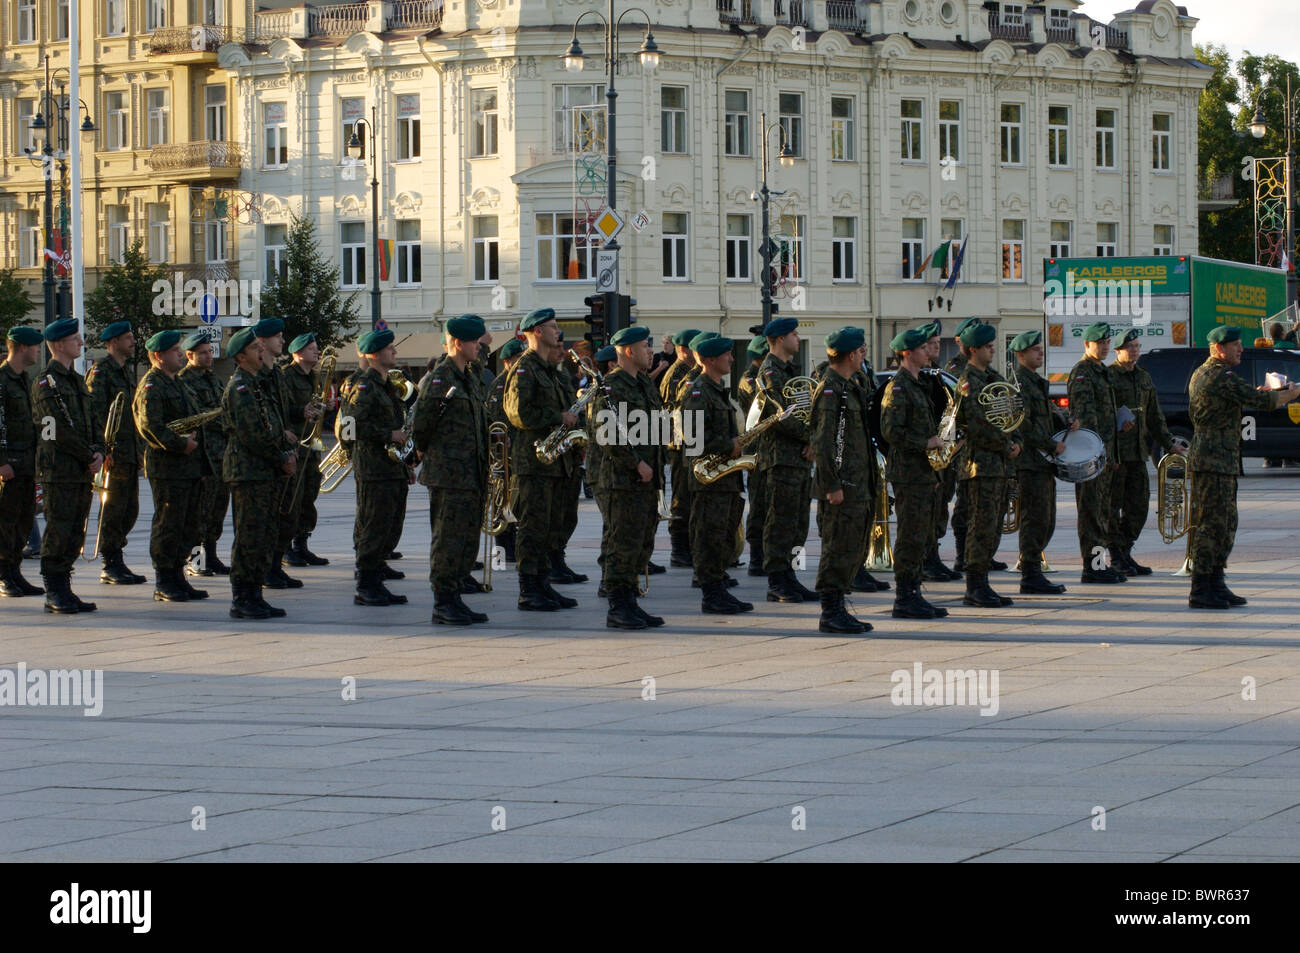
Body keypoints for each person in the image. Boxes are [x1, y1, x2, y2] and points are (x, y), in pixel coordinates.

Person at [1187, 325, 1300, 608]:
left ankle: (1216, 581)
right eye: (1235, 345)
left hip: (1221, 459)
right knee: (1210, 526)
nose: (1241, 349)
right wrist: (1291, 393)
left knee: (1224, 524)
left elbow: (1245, 395)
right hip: (1212, 461)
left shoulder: (1216, 375)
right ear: (1218, 349)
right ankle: (1201, 589)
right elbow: (1264, 401)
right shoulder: (1216, 376)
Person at [413, 314, 490, 625]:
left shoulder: (467, 378)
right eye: (474, 342)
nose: (479, 347)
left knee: (466, 539)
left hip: (471, 473)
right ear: (458, 343)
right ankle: (443, 601)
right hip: (449, 475)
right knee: (448, 539)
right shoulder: (440, 379)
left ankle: (456, 595)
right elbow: (422, 426)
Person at [503, 308, 580, 611]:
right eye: (552, 326)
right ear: (536, 331)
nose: (557, 330)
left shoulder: (548, 369)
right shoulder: (525, 368)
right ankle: (528, 589)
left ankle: (544, 584)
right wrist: (557, 416)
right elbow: (518, 413)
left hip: (554, 462)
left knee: (548, 528)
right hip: (533, 463)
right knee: (533, 528)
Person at [222, 328, 296, 619]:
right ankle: (242, 597)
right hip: (248, 472)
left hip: (264, 471)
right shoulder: (240, 387)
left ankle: (255, 593)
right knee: (249, 536)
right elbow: (252, 434)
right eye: (254, 348)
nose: (261, 351)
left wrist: (285, 451)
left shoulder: (256, 385)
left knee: (264, 533)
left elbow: (272, 427)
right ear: (241, 357)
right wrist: (280, 457)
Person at [597, 326, 667, 628]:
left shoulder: (643, 384)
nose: (650, 351)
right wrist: (636, 463)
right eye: (644, 346)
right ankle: (618, 606)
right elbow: (608, 433)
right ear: (628, 351)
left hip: (648, 480)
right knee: (621, 544)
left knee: (641, 542)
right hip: (623, 481)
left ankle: (631, 601)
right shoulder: (612, 387)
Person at [32, 318, 104, 613]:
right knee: (59, 529)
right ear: (59, 345)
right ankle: (54, 590)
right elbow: (54, 430)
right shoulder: (45, 383)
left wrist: (98, 449)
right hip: (59, 470)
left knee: (75, 529)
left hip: (79, 470)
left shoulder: (76, 380)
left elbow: (92, 421)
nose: (81, 343)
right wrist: (88, 456)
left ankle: (66, 586)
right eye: (76, 339)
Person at [879, 327, 950, 620]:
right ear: (907, 353)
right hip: (908, 474)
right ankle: (904, 597)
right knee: (910, 536)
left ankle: (915, 593)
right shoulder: (898, 387)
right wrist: (926, 443)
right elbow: (891, 431)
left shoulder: (919, 383)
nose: (928, 351)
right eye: (922, 347)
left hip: (923, 472)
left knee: (921, 535)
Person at [132, 330, 208, 603]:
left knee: (188, 524)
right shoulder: (152, 385)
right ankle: (164, 580)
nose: (180, 353)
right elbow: (149, 427)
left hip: (188, 466)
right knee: (168, 523)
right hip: (167, 466)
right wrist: (180, 444)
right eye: (175, 350)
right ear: (158, 356)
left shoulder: (177, 383)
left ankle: (178, 576)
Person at [810, 327, 875, 634]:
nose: (864, 356)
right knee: (836, 548)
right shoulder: (830, 390)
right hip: (841, 487)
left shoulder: (849, 386)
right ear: (851, 355)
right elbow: (823, 443)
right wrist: (831, 485)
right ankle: (830, 612)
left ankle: (839, 607)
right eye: (862, 351)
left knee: (850, 546)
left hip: (856, 483)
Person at [684, 336, 753, 614]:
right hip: (709, 479)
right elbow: (693, 437)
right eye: (727, 355)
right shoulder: (699, 391)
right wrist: (730, 445)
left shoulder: (717, 389)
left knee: (723, 535)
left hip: (724, 478)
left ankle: (719, 589)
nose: (732, 359)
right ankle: (711, 595)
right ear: (711, 360)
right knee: (709, 537)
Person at [955, 321, 1019, 608]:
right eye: (988, 347)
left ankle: (983, 583)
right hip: (980, 465)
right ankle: (975, 586)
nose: (993, 350)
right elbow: (979, 426)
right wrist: (1007, 445)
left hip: (998, 464)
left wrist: (1015, 440)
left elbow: (1011, 413)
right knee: (980, 526)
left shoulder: (993, 377)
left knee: (992, 526)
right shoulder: (969, 381)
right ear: (973, 350)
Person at [349, 328, 412, 607]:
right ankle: (366, 585)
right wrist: (388, 434)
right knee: (373, 526)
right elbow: (352, 428)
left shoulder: (385, 385)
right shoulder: (364, 386)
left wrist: (404, 462)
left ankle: (376, 580)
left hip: (390, 467)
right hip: (373, 469)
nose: (395, 352)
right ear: (374, 354)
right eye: (390, 349)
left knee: (386, 525)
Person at [1108, 329, 1179, 575]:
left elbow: (1154, 415)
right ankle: (1116, 556)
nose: (1135, 350)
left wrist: (1169, 443)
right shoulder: (1109, 377)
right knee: (1113, 506)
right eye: (1130, 347)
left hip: (1138, 452)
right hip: (1116, 454)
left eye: (1137, 346)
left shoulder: (1143, 377)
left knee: (1139, 506)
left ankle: (1125, 550)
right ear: (1118, 351)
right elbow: (1101, 416)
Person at [756, 317, 817, 603]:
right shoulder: (770, 371)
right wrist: (809, 439)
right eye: (793, 334)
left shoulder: (790, 370)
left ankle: (792, 576)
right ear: (780, 339)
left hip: (799, 458)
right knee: (781, 521)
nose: (797, 337)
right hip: (782, 457)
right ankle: (777, 580)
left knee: (799, 522)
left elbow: (805, 410)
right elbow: (781, 415)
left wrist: (811, 440)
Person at [1010, 330, 1073, 595]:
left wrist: (1065, 420)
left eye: (1040, 348)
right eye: (1035, 349)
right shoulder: (1019, 384)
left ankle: (1035, 570)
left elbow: (1044, 418)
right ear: (1021, 354)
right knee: (1034, 519)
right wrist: (1050, 444)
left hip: (1043, 463)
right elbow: (1022, 425)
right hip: (1030, 462)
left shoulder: (1036, 382)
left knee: (1046, 520)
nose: (1041, 352)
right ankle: (1030, 575)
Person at [85, 320, 145, 585]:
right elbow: (96, 414)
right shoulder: (102, 371)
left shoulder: (123, 371)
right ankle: (110, 562)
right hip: (113, 454)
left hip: (129, 451)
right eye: (128, 338)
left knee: (130, 509)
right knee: (113, 508)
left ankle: (117, 556)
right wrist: (103, 449)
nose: (133, 341)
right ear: (114, 342)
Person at [1068, 321, 1126, 584]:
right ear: (1086, 345)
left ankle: (1099, 564)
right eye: (1099, 343)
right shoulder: (1083, 372)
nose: (1104, 347)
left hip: (1104, 456)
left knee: (1102, 513)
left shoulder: (1102, 371)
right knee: (1091, 514)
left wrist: (1111, 456)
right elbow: (1085, 419)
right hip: (1090, 456)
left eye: (1106, 342)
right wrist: (1098, 455)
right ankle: (1092, 569)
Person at [253, 317, 303, 590]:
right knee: (268, 520)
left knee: (286, 516)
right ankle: (265, 571)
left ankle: (275, 565)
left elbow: (283, 412)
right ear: (262, 342)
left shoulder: (277, 374)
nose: (282, 341)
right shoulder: (256, 376)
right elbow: (260, 419)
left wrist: (300, 415)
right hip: (270, 458)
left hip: (285, 453)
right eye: (278, 337)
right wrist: (281, 435)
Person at [179, 332, 230, 577]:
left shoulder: (213, 379)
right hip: (202, 455)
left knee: (217, 509)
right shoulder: (184, 380)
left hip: (220, 455)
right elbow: (198, 417)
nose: (209, 356)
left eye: (210, 351)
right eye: (203, 353)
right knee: (200, 511)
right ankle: (196, 561)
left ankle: (211, 556)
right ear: (189, 355)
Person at [0, 326, 43, 597]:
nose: (39, 351)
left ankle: (15, 573)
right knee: (5, 523)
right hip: (9, 466)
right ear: (24, 348)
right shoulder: (2, 380)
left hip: (27, 463)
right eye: (36, 346)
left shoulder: (24, 379)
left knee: (23, 522)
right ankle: (5, 576)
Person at [280, 333, 329, 569]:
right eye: (311, 349)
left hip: (312, 445)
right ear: (297, 353)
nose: (316, 352)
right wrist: (302, 411)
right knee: (293, 497)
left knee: (309, 495)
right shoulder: (286, 376)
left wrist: (324, 406)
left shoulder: (316, 376)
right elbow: (282, 408)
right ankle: (285, 548)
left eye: (316, 348)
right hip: (296, 443)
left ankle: (302, 544)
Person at [919, 321, 962, 583]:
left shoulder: (934, 376)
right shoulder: (917, 379)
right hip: (927, 457)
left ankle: (933, 556)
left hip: (943, 452)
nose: (937, 346)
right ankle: (926, 560)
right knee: (927, 511)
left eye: (937, 342)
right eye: (932, 343)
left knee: (939, 508)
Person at [658, 327, 701, 567]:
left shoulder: (689, 370)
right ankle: (679, 548)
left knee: (690, 495)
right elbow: (673, 410)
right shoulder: (677, 374)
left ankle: (689, 546)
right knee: (682, 497)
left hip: (688, 442)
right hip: (679, 444)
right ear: (684, 349)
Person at [485, 337, 525, 564]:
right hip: (504, 453)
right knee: (503, 503)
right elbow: (495, 418)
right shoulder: (500, 384)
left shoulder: (519, 382)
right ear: (508, 361)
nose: (521, 362)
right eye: (518, 358)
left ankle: (513, 545)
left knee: (516, 502)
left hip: (519, 452)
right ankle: (503, 548)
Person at [738, 335, 769, 577]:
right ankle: (756, 558)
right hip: (757, 449)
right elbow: (763, 405)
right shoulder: (750, 379)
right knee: (759, 504)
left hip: (768, 449)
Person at [588, 344, 617, 598]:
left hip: (614, 470)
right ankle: (609, 580)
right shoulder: (606, 391)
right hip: (605, 470)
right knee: (614, 526)